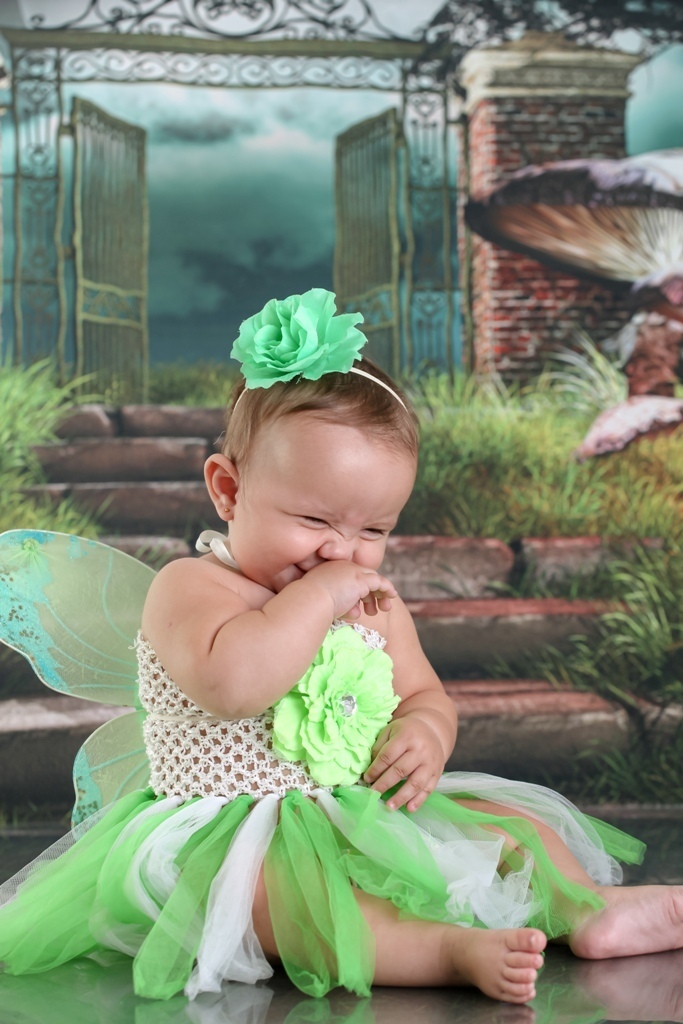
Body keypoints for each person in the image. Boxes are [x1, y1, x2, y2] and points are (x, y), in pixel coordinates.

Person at [0, 288, 681, 1006]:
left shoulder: (373, 604)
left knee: (511, 824)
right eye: (314, 519)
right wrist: (318, 600)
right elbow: (234, 685)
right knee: (279, 897)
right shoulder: (192, 588)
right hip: (224, 833)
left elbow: (423, 692)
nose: (341, 550)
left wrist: (425, 732)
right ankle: (443, 951)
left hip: (353, 810)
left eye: (373, 530)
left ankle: (586, 910)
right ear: (228, 490)